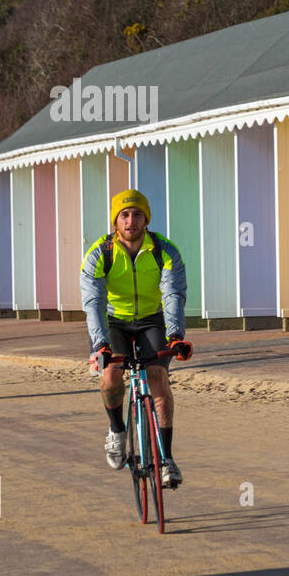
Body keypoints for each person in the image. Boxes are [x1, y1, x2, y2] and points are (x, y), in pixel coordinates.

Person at [80, 189, 192, 486]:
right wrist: (100, 344)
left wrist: (175, 336)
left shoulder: (165, 250)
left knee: (158, 378)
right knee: (112, 374)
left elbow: (173, 294)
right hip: (113, 321)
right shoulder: (99, 254)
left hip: (151, 320)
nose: (131, 221)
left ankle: (166, 459)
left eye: (137, 215)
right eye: (124, 215)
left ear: (146, 219)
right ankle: (117, 431)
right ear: (115, 221)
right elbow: (93, 302)